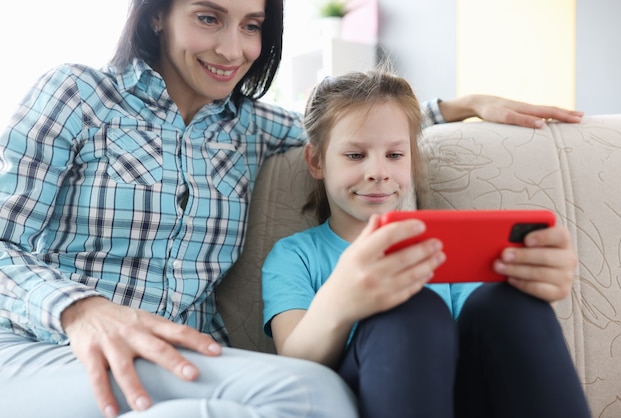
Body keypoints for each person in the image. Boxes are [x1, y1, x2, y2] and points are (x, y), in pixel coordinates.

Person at [0, 0, 583, 417]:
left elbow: (355, 132)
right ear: (157, 14)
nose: (233, 49)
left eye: (252, 25)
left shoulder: (247, 126)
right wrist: (83, 310)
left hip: (183, 355)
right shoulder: (76, 95)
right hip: (46, 347)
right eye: (208, 17)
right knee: (308, 395)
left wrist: (465, 103)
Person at [262, 68, 592, 418]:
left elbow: (492, 323)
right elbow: (294, 360)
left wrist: (532, 280)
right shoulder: (295, 255)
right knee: (409, 310)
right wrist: (342, 301)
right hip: (356, 396)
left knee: (512, 303)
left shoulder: (442, 246)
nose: (378, 172)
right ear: (317, 161)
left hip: (456, 395)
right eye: (355, 155)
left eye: (394, 155)